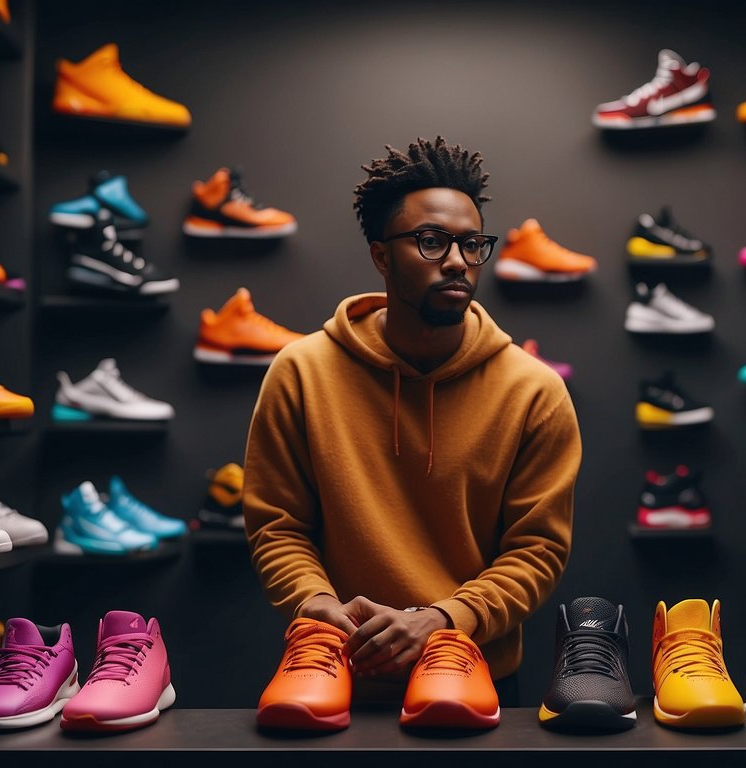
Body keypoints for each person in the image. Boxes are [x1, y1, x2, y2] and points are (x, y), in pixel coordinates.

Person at [243, 136, 581, 704]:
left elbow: (537, 550)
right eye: (430, 242)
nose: (456, 261)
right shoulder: (300, 372)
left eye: (472, 245)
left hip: (474, 672)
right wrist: (316, 603)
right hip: (334, 669)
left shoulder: (534, 391)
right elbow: (277, 524)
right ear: (380, 255)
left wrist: (443, 619)